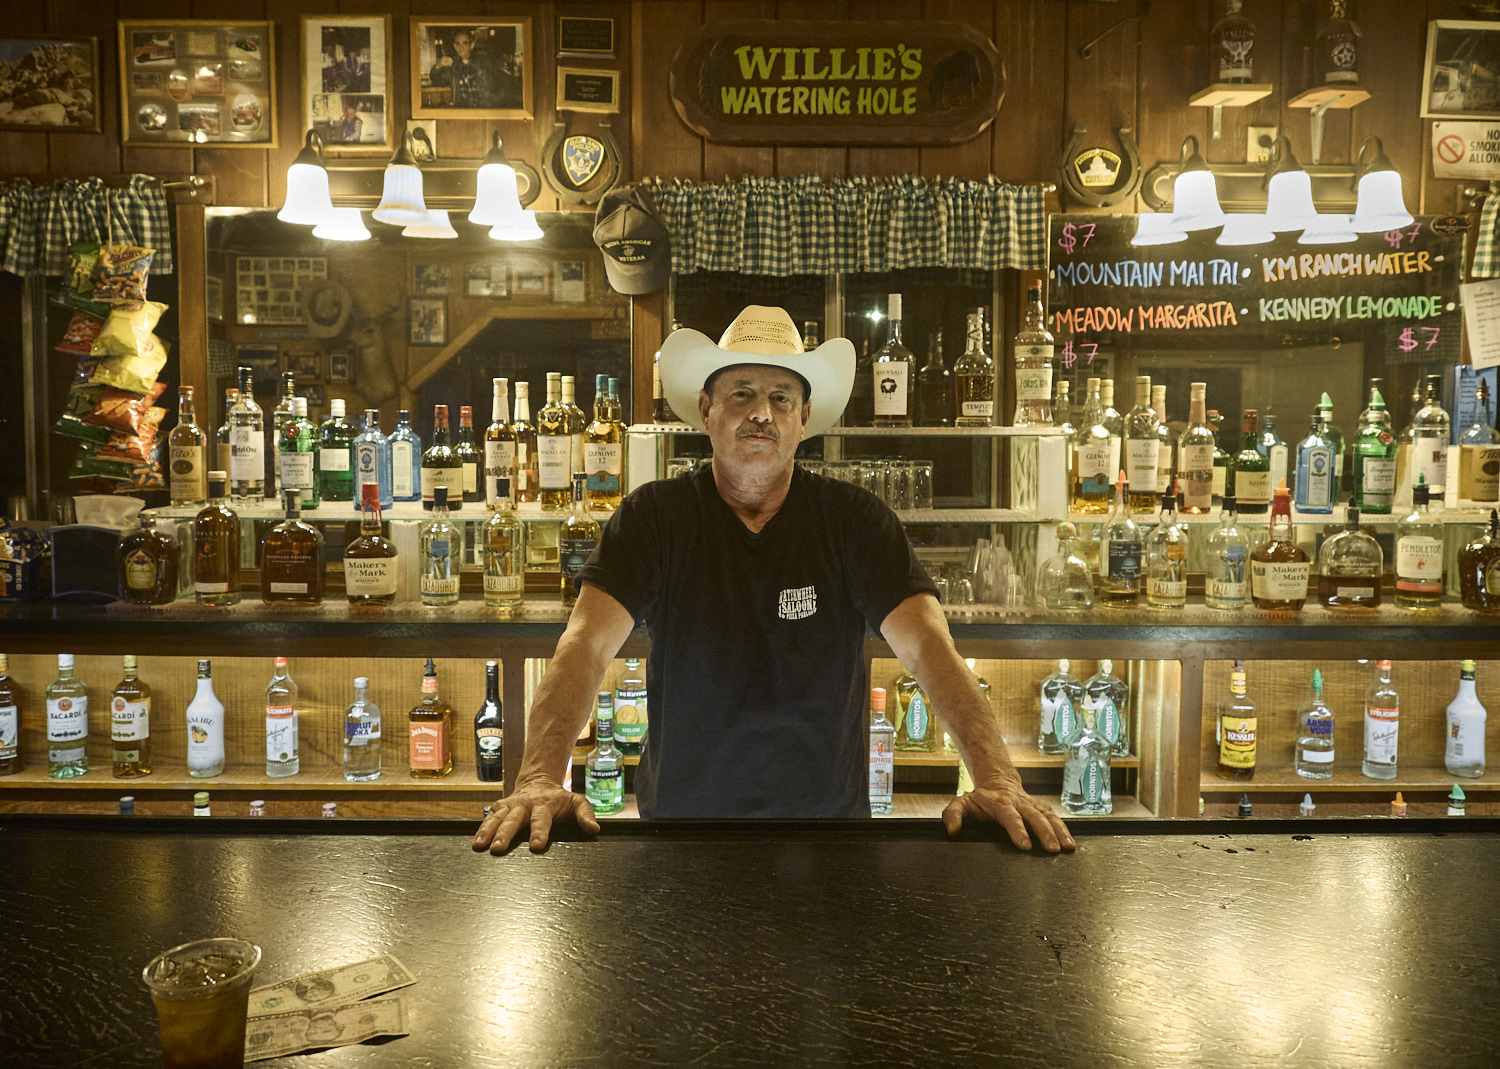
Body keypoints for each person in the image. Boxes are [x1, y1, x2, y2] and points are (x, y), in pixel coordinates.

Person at [472, 306, 1075, 857]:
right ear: (706, 410)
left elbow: (929, 648)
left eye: (782, 397)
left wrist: (997, 779)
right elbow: (585, 646)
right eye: (742, 392)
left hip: (827, 835)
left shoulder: (856, 521)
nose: (762, 412)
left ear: (804, 419)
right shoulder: (654, 518)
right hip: (681, 834)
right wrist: (540, 780)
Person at [428, 29, 518, 109]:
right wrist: (439, 65)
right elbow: (436, 80)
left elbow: (506, 81)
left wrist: (495, 104)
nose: (461, 47)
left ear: (471, 45)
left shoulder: (484, 61)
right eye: (457, 43)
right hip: (463, 111)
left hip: (484, 109)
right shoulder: (453, 66)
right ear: (454, 46)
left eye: (465, 43)